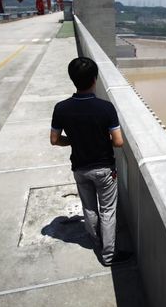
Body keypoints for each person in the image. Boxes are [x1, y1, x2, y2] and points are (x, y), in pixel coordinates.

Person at [50, 57, 132, 266]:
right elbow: (119, 142)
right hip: (104, 169)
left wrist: (75, 140)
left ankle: (95, 241)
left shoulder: (61, 108)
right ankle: (108, 255)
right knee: (108, 211)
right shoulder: (106, 108)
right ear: (95, 79)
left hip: (80, 168)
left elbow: (55, 139)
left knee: (89, 209)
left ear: (73, 79)